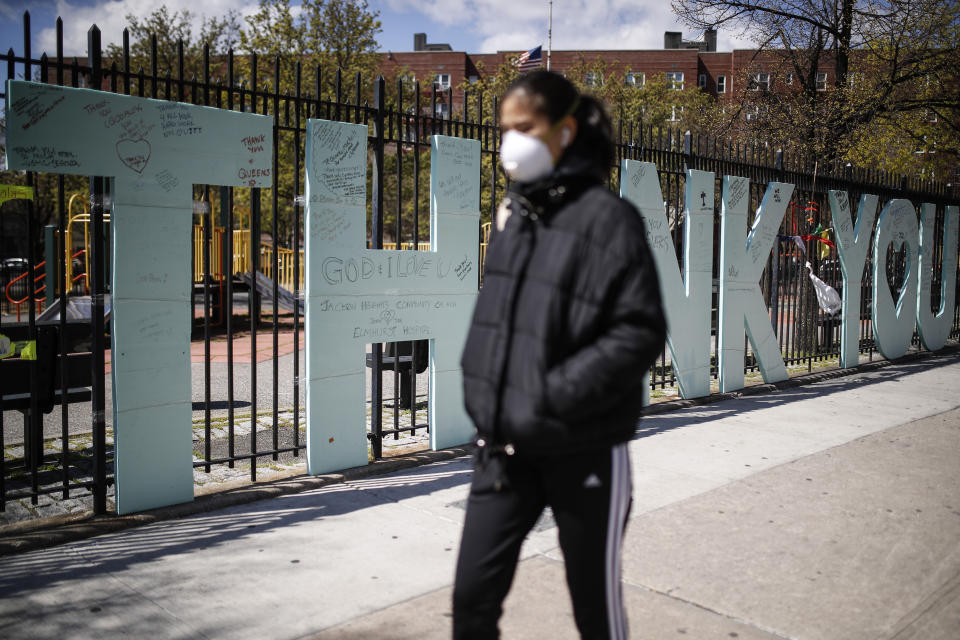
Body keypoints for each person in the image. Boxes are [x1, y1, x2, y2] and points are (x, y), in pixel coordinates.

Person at [454, 71, 667, 639]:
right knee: (471, 603)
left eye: (524, 128)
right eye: (504, 130)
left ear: (565, 131)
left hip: (584, 448)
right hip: (503, 449)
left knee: (595, 613)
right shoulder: (515, 215)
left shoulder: (609, 219)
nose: (509, 143)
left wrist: (549, 396)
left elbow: (639, 330)